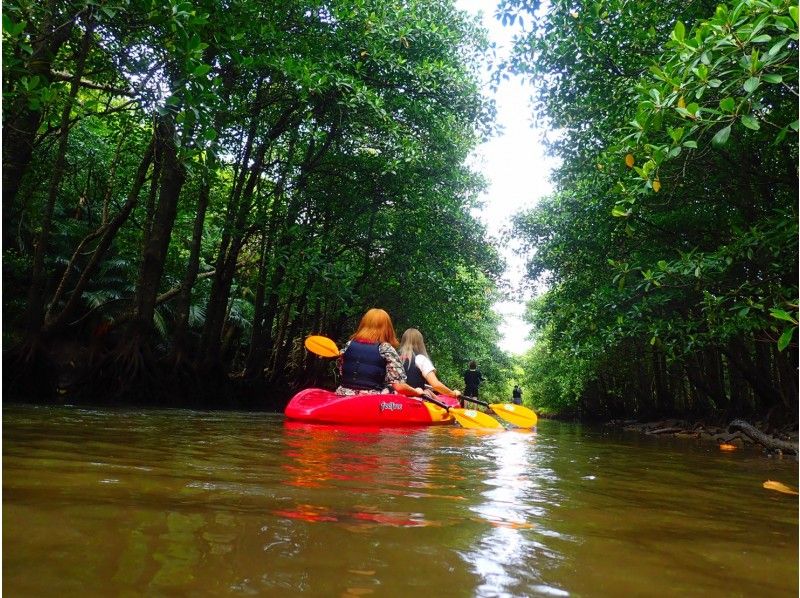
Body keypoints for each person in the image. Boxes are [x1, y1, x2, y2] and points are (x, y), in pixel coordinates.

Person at [335, 308, 425, 397]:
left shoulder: (349, 344)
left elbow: (341, 371)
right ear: (387, 327)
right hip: (370, 400)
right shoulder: (385, 348)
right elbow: (399, 387)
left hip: (342, 395)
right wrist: (417, 392)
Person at [397, 328, 461, 400]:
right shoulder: (420, 359)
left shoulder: (394, 358)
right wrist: (453, 393)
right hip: (415, 404)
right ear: (420, 343)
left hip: (395, 403)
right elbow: (436, 385)